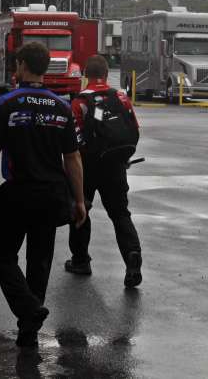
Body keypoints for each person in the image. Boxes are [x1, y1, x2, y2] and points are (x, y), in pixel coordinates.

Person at [0, 41, 87, 347]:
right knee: (39, 262)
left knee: (1, 254)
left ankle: (28, 310)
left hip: (17, 194)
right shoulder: (62, 107)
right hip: (52, 196)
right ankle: (29, 328)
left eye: (16, 64)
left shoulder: (7, 103)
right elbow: (73, 158)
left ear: (23, 65)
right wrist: (78, 200)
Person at [65, 55, 143, 288]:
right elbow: (133, 129)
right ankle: (132, 255)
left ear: (85, 75)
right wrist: (123, 158)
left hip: (87, 166)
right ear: (107, 74)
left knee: (81, 210)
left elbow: (75, 140)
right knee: (120, 213)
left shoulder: (80, 102)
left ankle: (80, 261)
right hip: (116, 164)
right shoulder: (120, 97)